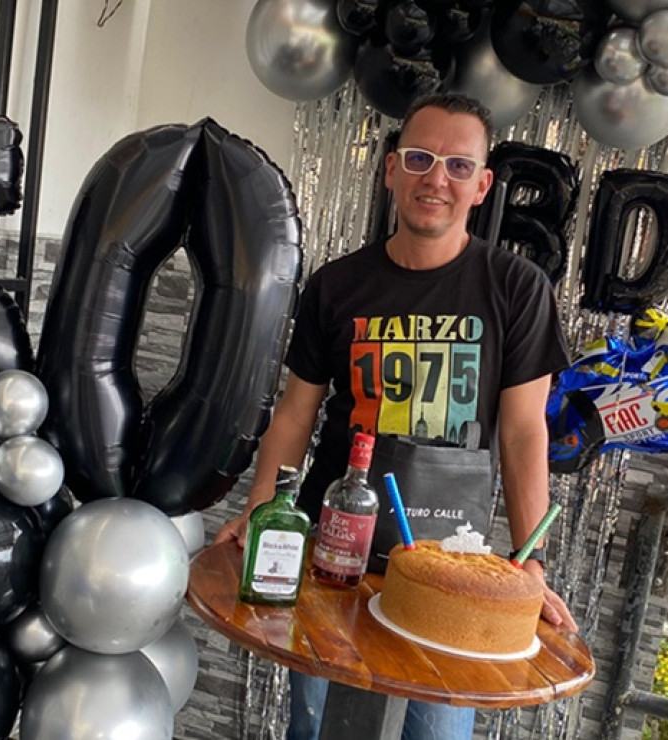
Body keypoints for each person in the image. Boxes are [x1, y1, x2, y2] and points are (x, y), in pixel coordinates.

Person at [213, 92, 579, 740]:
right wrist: (262, 508)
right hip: (331, 560)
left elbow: (525, 432)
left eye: (458, 165)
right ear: (390, 169)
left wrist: (530, 562)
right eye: (418, 158)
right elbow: (296, 413)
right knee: (317, 727)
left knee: (436, 733)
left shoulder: (516, 288)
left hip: (449, 578)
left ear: (482, 185)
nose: (435, 178)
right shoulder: (335, 284)